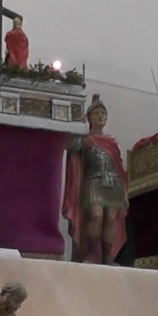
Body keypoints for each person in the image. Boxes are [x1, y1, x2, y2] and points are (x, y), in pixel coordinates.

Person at [63, 95, 129, 265]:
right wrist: (79, 125)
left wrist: (125, 192)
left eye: (104, 114)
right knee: (96, 215)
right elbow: (69, 146)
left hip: (113, 183)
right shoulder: (84, 140)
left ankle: (107, 258)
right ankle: (92, 254)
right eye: (97, 113)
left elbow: (119, 168)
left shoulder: (111, 142)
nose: (101, 116)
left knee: (111, 219)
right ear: (90, 117)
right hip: (93, 182)